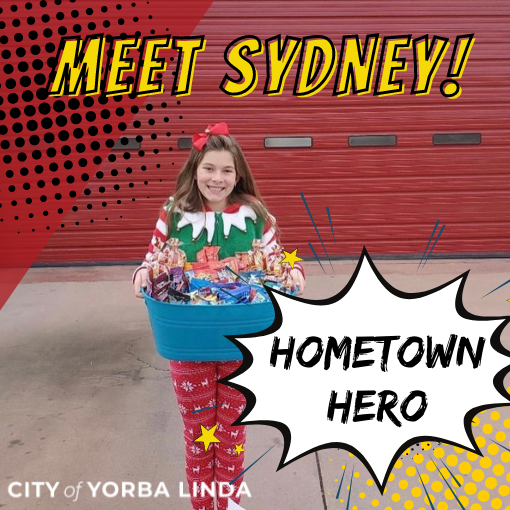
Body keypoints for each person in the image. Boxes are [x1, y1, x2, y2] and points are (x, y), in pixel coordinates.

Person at [132, 123, 306, 510]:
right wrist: (143, 273)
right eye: (209, 168)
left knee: (232, 431)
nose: (218, 178)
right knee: (198, 434)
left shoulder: (256, 214)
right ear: (195, 169)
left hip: (240, 343)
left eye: (227, 170)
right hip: (189, 343)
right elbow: (152, 260)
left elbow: (278, 262)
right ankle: (203, 506)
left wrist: (295, 274)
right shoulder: (173, 212)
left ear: (238, 173)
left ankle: (227, 504)